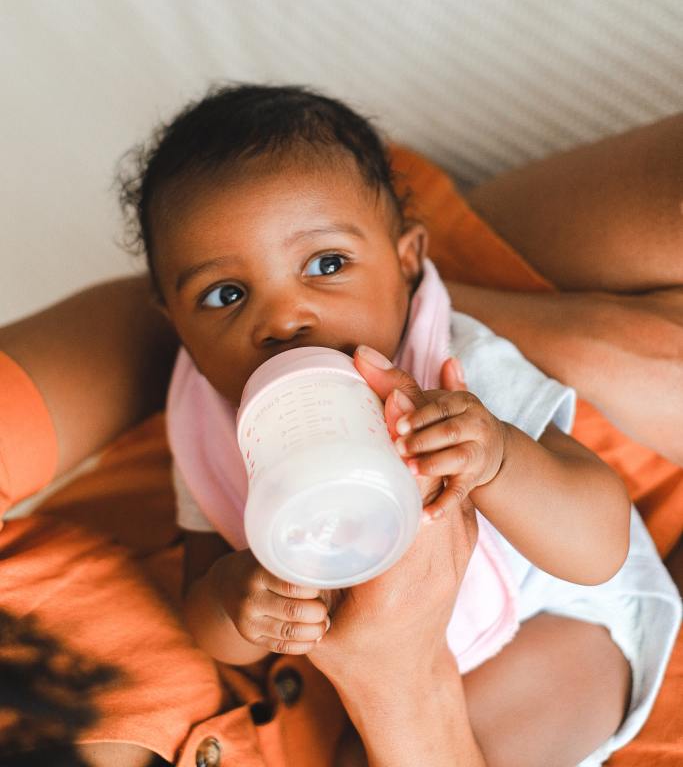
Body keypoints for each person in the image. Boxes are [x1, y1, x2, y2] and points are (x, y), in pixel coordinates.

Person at [1, 97, 681, 767]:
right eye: (224, 295)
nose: (282, 318)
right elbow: (209, 622)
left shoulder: (451, 374)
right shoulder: (216, 426)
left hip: (553, 617)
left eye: (326, 265)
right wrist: (239, 599)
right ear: (174, 321)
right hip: (367, 702)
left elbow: (598, 548)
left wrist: (499, 458)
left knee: (538, 704)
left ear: (407, 261)